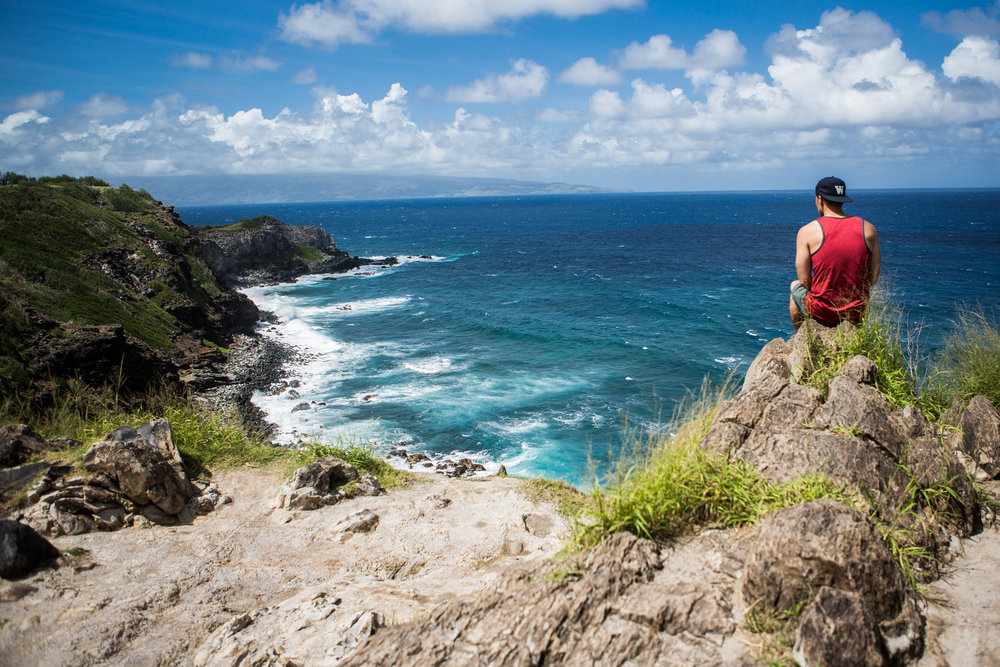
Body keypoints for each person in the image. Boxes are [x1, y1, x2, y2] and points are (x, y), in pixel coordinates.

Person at [789, 176, 881, 331]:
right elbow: (873, 278)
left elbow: (804, 280)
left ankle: (801, 338)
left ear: (819, 199)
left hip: (824, 312)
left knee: (794, 287)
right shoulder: (869, 229)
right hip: (857, 312)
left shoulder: (807, 231)